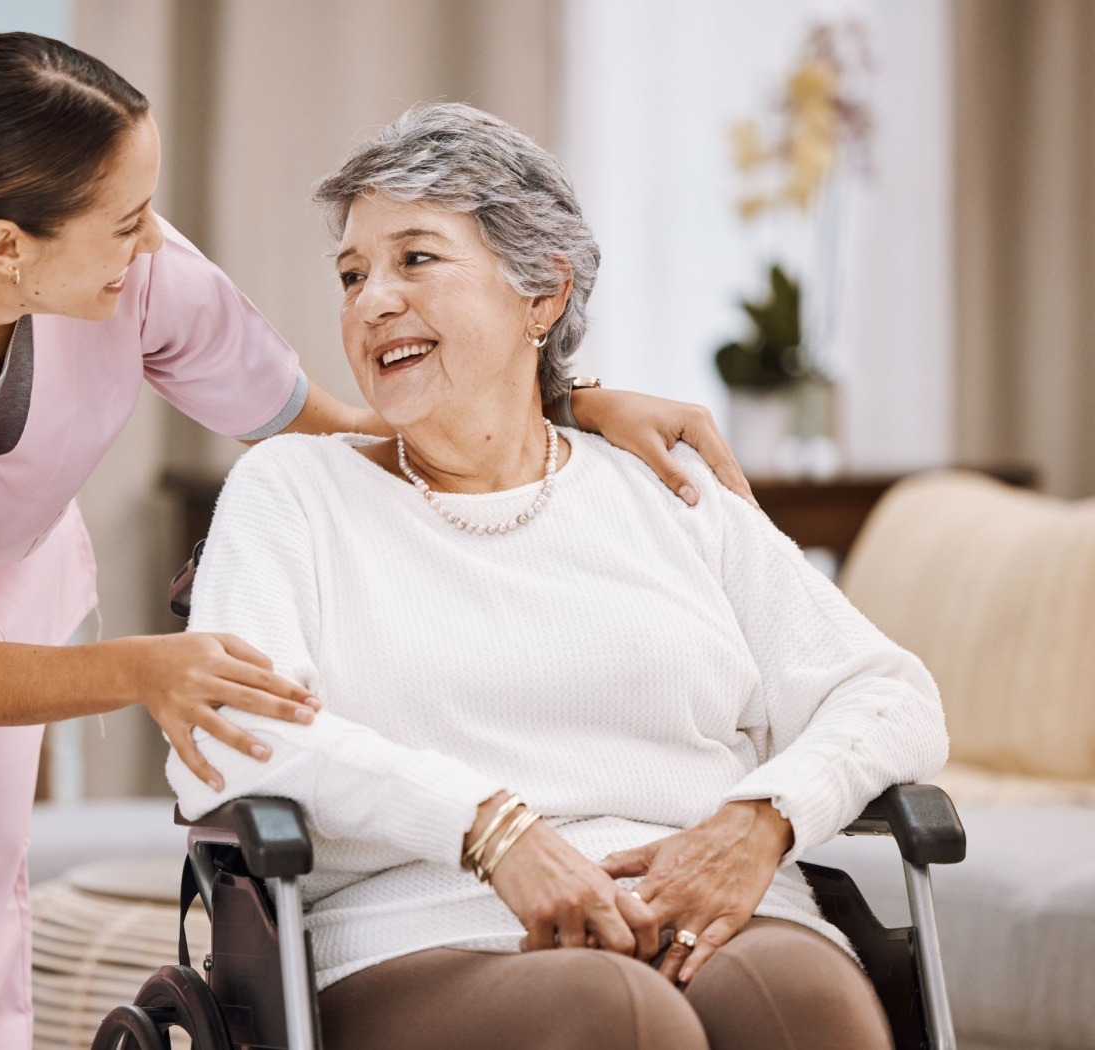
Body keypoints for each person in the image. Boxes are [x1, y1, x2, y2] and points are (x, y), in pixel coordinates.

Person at [0, 34, 754, 1049]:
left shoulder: (137, 273)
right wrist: (151, 671)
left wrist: (571, 406)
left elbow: (350, 420)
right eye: (123, 218)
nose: (149, 237)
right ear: (8, 245)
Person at [167, 102, 949, 1050]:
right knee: (620, 1019)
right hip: (422, 927)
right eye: (351, 275)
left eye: (415, 259)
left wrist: (763, 822)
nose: (371, 300)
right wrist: (487, 828)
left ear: (541, 294)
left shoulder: (666, 487)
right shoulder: (292, 489)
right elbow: (235, 733)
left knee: (805, 1013)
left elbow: (890, 692)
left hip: (709, 906)